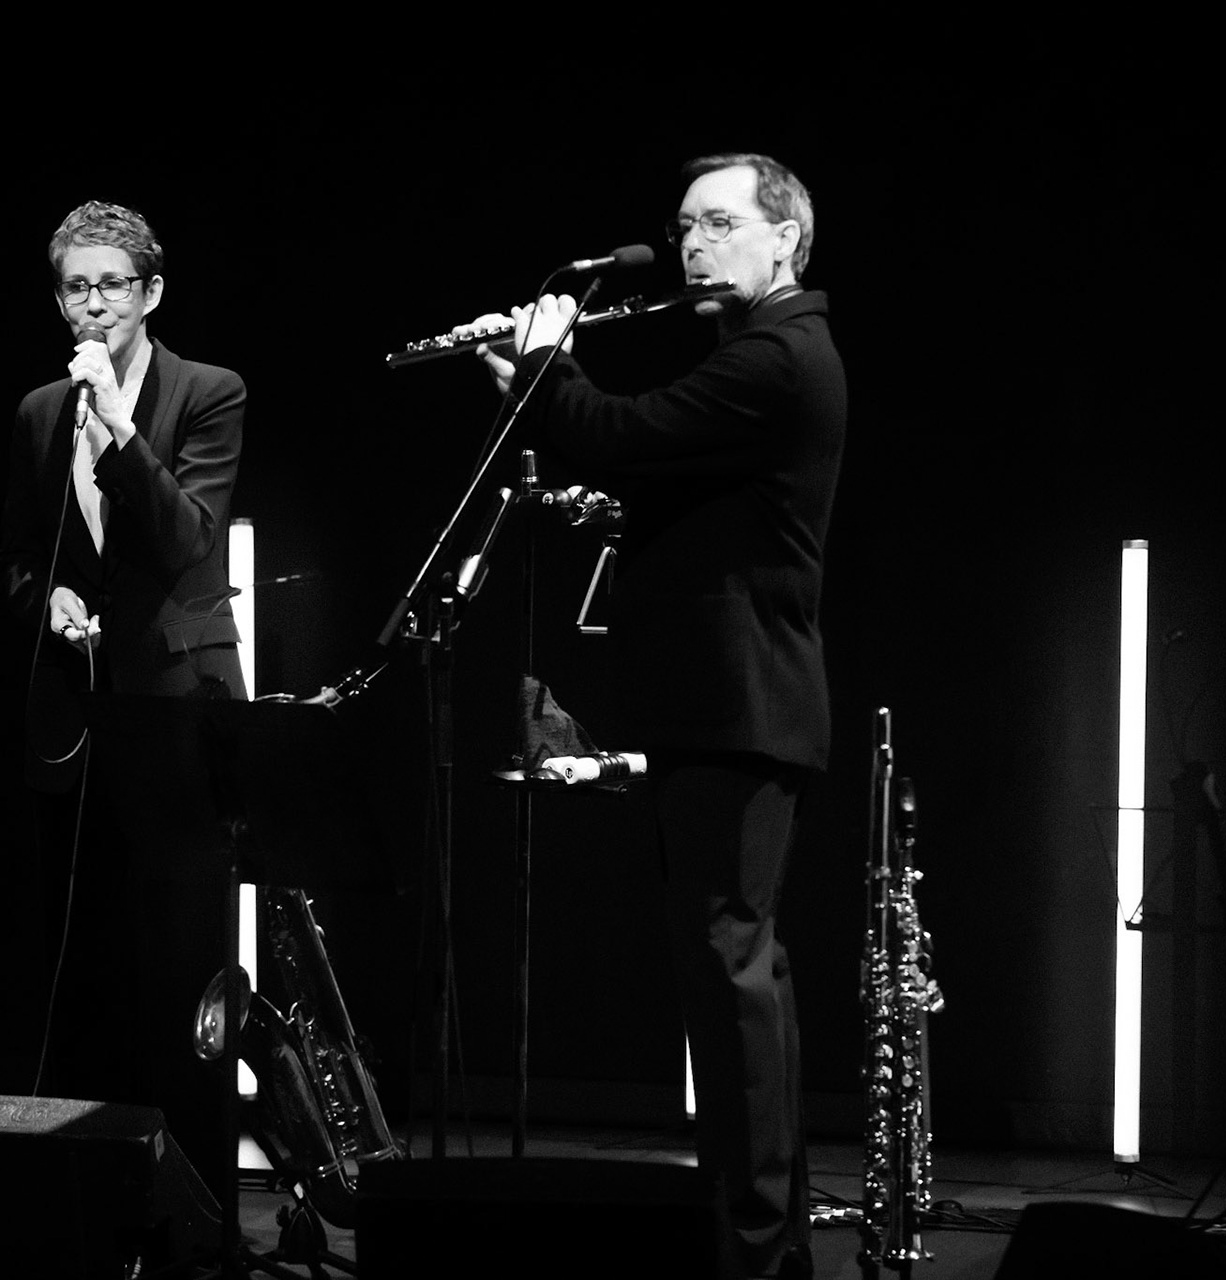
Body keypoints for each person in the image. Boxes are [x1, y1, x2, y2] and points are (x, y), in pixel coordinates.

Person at [467, 153, 844, 1280]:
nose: (690, 244)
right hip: (722, 702)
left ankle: (757, 1244)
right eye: (683, 225)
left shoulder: (780, 354)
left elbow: (623, 433)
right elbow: (657, 469)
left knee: (732, 975)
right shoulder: (752, 354)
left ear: (785, 240)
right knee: (734, 974)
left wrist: (544, 365)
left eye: (719, 224)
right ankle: (757, 1239)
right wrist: (556, 397)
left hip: (742, 703)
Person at [0, 198, 247, 715]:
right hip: (74, 693)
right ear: (59, 299)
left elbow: (189, 539)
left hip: (180, 689)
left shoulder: (209, 392)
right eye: (77, 287)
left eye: (113, 284)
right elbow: (19, 557)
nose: (94, 305)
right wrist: (49, 598)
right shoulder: (39, 412)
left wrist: (120, 426)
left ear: (150, 293)